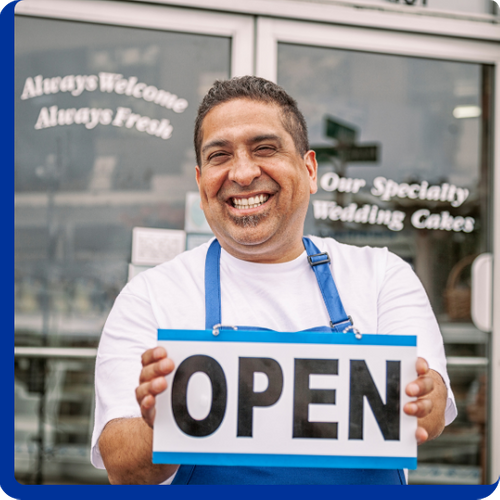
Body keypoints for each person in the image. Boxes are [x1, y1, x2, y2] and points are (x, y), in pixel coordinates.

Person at [91, 76, 456, 485]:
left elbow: (433, 410)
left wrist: (424, 398)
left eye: (265, 149)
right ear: (200, 181)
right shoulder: (151, 296)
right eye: (220, 156)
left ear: (310, 169)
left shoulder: (381, 276)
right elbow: (121, 465)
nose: (243, 173)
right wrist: (163, 425)